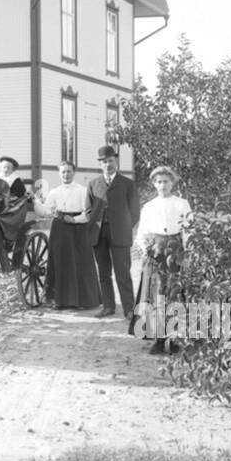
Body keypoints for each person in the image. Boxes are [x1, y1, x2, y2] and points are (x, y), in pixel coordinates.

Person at [131, 165, 194, 354]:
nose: (162, 185)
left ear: (172, 183)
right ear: (154, 184)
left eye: (166, 181)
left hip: (174, 252)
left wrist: (187, 253)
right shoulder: (149, 206)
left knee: (175, 293)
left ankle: (175, 338)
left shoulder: (181, 204)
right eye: (159, 182)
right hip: (156, 253)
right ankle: (158, 339)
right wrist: (146, 249)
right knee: (156, 294)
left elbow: (189, 230)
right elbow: (142, 232)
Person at [36, 161, 101, 310]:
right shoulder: (54, 192)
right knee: (61, 261)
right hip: (59, 228)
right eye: (63, 172)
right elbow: (46, 210)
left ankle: (83, 300)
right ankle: (61, 300)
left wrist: (74, 219)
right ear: (59, 173)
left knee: (80, 261)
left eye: (69, 171)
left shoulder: (82, 190)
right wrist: (36, 202)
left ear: (74, 172)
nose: (66, 174)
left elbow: (88, 213)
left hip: (78, 228)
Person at [87, 144, 141, 321]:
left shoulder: (127, 184)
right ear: (100, 164)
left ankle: (128, 309)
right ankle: (108, 307)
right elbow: (88, 210)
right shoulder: (93, 184)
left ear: (116, 161)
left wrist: (124, 227)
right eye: (104, 162)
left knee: (123, 273)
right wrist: (95, 224)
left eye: (110, 161)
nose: (107, 164)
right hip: (99, 234)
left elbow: (134, 212)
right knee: (103, 273)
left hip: (120, 234)